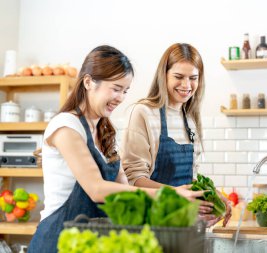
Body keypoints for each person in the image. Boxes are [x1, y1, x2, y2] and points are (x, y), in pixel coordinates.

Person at [28, 45, 203, 253]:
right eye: (116, 88)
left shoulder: (104, 131)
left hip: (93, 242)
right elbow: (96, 189)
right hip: (57, 241)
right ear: (88, 82)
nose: (121, 97)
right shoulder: (66, 126)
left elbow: (128, 189)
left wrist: (178, 198)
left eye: (125, 91)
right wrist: (171, 195)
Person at [121, 43, 231, 227]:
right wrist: (177, 194)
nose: (187, 85)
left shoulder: (190, 119)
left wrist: (212, 196)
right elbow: (134, 179)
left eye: (193, 78)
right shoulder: (143, 112)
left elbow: (189, 180)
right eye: (178, 77)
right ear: (163, 75)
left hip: (184, 224)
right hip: (150, 223)